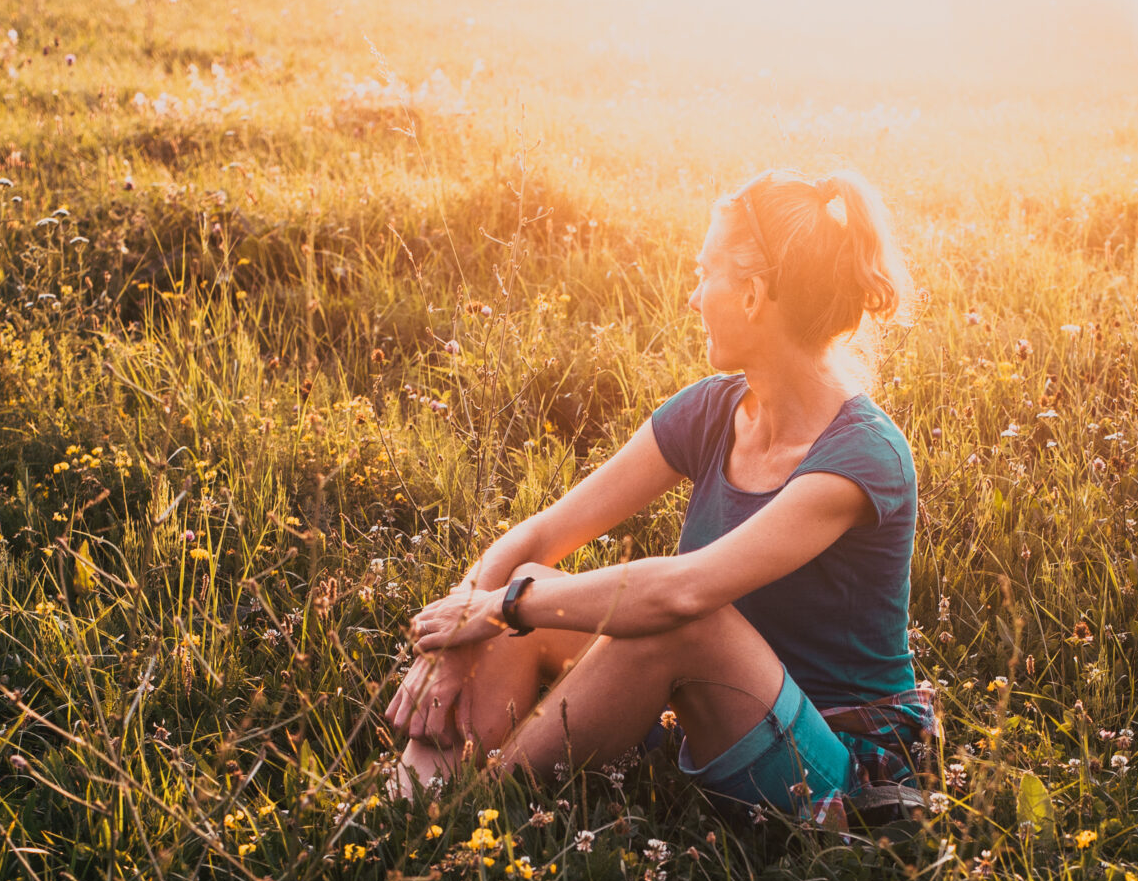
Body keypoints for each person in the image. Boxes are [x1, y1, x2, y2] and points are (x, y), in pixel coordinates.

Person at [384, 166, 935, 826]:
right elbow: (539, 537)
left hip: (841, 767)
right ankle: (407, 809)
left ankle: (477, 815)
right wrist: (456, 640)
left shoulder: (862, 457)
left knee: (661, 616)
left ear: (754, 294)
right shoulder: (712, 411)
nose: (694, 296)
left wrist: (504, 607)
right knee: (524, 582)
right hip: (713, 706)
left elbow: (683, 593)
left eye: (706, 274)